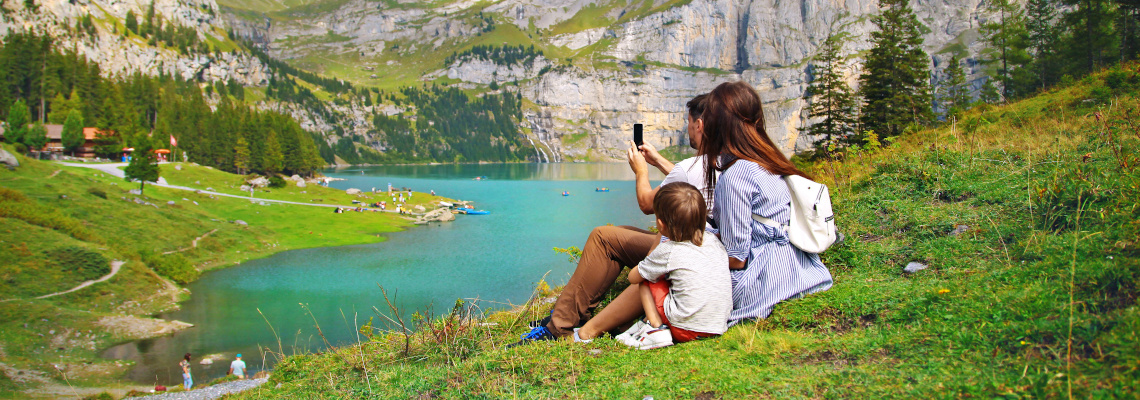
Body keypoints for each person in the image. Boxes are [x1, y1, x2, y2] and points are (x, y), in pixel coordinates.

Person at [513, 94, 714, 345]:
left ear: (700, 125)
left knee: (603, 237)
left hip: (687, 250)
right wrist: (659, 160)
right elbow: (687, 178)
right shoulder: (718, 161)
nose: (688, 128)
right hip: (702, 245)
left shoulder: (695, 165)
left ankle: (560, 326)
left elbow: (647, 204)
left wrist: (641, 171)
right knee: (622, 232)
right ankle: (574, 312)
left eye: (688, 122)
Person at [700, 81, 833, 325]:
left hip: (765, 282)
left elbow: (737, 258)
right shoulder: (769, 162)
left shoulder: (735, 177)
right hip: (804, 271)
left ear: (716, 127)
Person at [572, 182, 731, 349]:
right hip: (717, 326)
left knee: (646, 278)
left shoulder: (669, 250)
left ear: (661, 225)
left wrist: (653, 252)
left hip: (685, 329)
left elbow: (633, 277)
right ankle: (638, 325)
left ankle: (655, 328)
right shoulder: (713, 241)